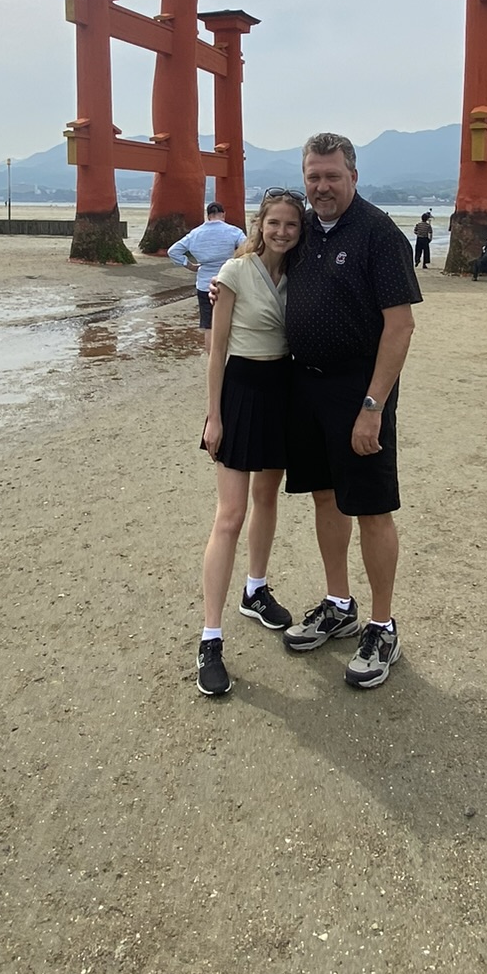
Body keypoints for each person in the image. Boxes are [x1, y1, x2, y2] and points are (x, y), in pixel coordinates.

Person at [280, 132, 421, 689]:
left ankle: (383, 624)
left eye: (332, 176)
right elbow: (261, 254)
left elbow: (401, 325)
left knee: (370, 506)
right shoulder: (304, 227)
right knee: (324, 495)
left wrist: (372, 406)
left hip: (359, 391)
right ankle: (339, 601)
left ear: (353, 176)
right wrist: (226, 289)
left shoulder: (378, 234)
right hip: (306, 386)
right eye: (313, 176)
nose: (321, 187)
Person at [195, 191, 305, 696]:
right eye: (274, 222)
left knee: (267, 498)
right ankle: (210, 638)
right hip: (241, 391)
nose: (282, 231)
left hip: (282, 391)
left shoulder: (301, 275)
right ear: (259, 225)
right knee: (230, 514)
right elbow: (216, 352)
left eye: (291, 224)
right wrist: (213, 417)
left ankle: (255, 589)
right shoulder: (235, 274)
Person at [168, 200, 247, 349]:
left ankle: (213, 360)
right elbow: (248, 249)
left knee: (209, 325)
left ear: (208, 215)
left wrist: (189, 265)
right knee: (232, 321)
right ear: (223, 214)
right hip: (229, 281)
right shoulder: (234, 231)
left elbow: (173, 251)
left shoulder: (195, 233)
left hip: (205, 284)